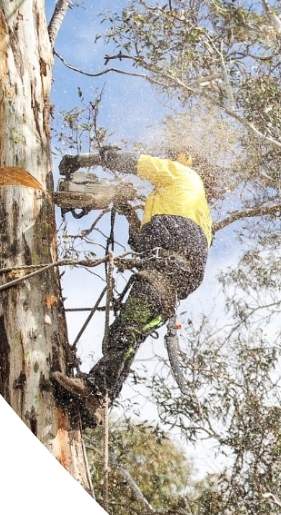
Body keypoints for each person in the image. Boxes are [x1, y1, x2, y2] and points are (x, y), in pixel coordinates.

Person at [53, 145, 214, 423]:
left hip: (168, 265)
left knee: (129, 328)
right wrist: (126, 207)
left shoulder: (179, 173)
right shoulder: (184, 204)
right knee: (131, 331)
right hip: (174, 271)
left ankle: (97, 391)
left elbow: (129, 161)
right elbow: (142, 244)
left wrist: (83, 159)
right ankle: (99, 401)